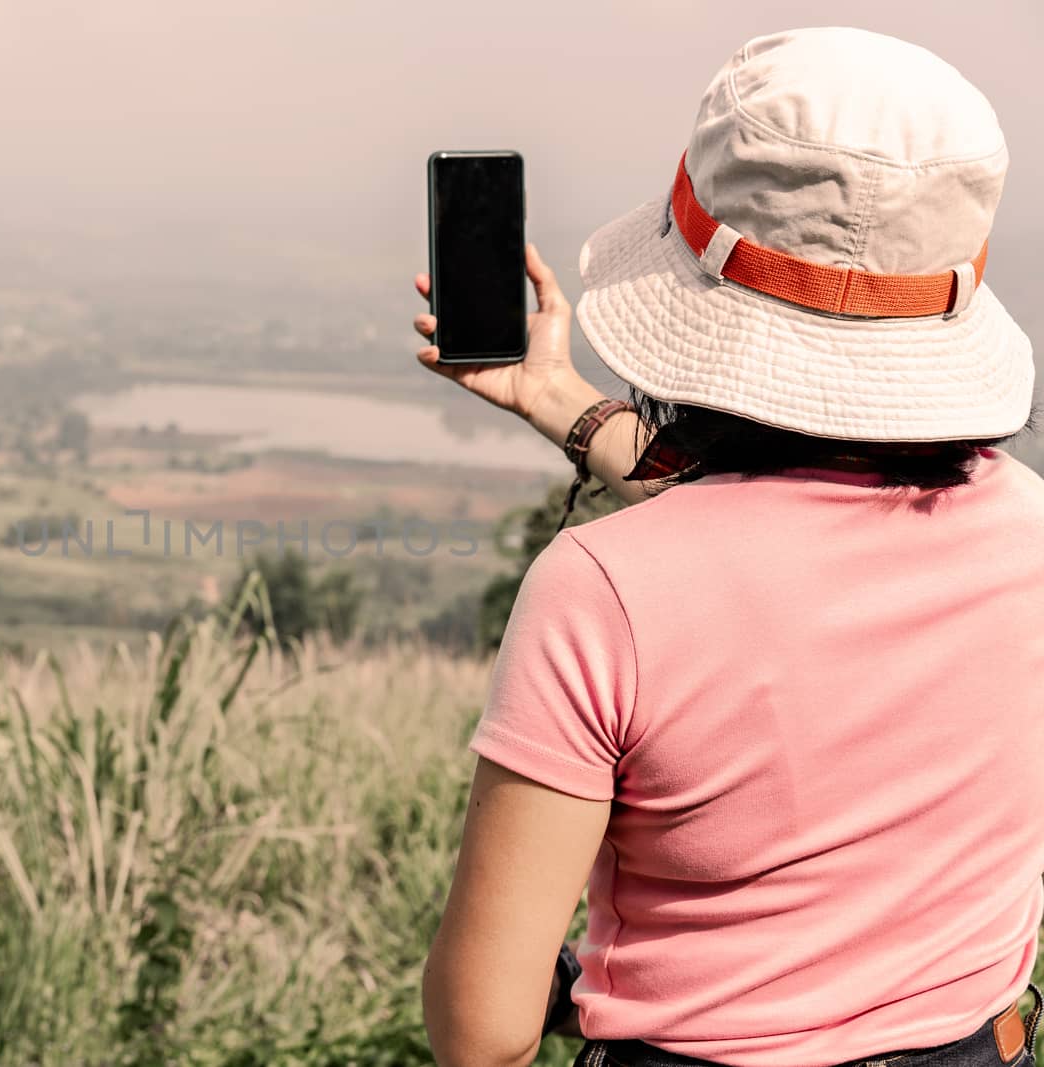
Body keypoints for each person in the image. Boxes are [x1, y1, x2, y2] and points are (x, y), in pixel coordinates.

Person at [413, 27, 1043, 1067]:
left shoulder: (600, 594)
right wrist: (560, 401)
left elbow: (483, 1030)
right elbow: (794, 530)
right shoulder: (1026, 530)